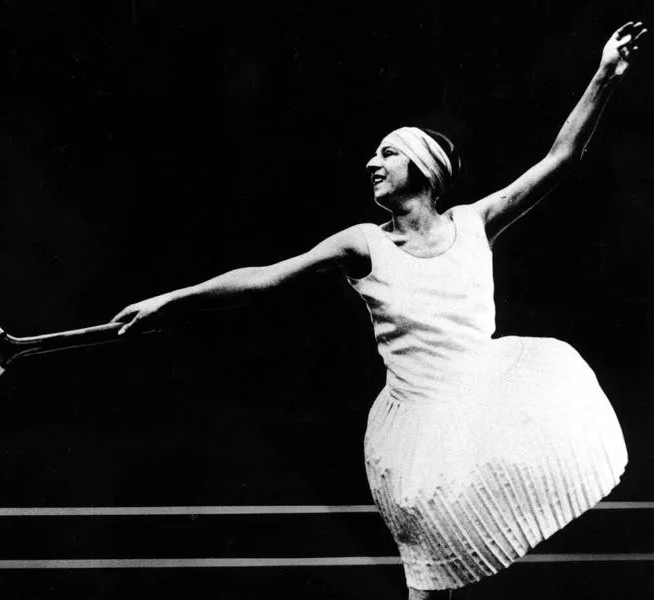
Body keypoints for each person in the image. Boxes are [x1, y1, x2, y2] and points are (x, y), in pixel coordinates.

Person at [112, 22, 647, 600]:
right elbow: (263, 279)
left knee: (473, 554)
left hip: (487, 406)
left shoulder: (474, 221)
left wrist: (603, 75)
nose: (372, 162)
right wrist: (171, 299)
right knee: (428, 582)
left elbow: (560, 158)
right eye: (373, 153)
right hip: (415, 427)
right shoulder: (363, 243)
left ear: (423, 166)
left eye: (387, 152)